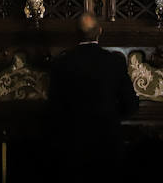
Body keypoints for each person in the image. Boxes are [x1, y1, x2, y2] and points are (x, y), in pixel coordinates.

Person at [48, 12, 139, 182]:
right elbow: (131, 105)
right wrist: (110, 116)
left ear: (76, 33)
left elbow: (53, 108)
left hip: (72, 147)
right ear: (100, 31)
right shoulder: (114, 62)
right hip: (108, 145)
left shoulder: (61, 63)